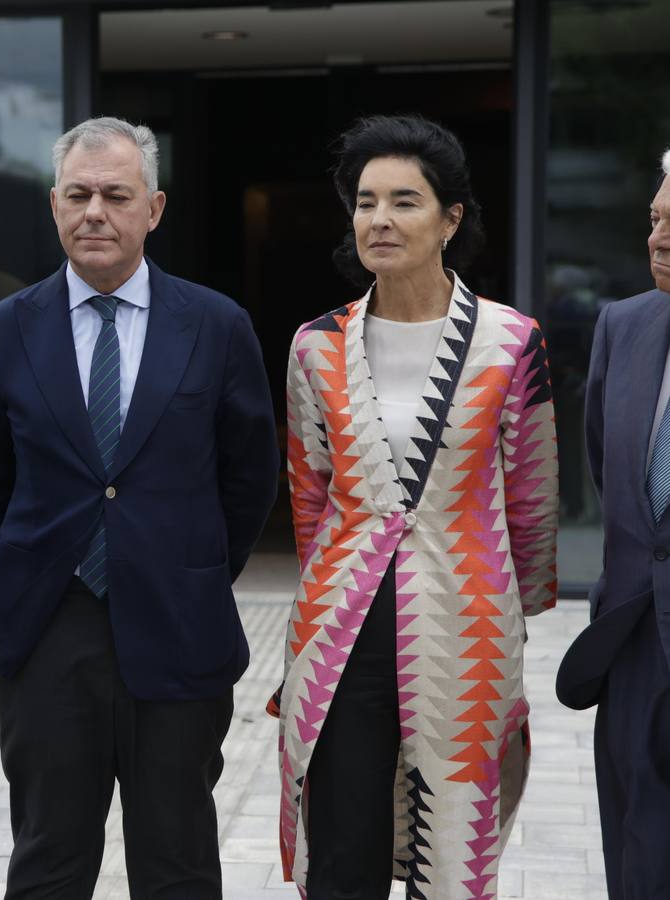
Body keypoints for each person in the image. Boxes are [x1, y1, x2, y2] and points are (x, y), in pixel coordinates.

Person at [0, 116, 280, 898]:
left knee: (177, 864)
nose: (94, 212)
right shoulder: (7, 328)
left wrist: (189, 564)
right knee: (48, 859)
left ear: (154, 208)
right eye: (78, 194)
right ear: (54, 205)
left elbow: (249, 476)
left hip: (178, 628)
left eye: (115, 194)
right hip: (47, 630)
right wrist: (54, 554)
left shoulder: (215, 325)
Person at [275, 115, 558, 899]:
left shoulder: (511, 342)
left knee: (450, 856)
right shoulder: (315, 346)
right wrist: (331, 586)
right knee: (341, 854)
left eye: (404, 201)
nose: (380, 220)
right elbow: (310, 495)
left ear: (450, 219)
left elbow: (531, 501)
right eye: (365, 202)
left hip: (467, 629)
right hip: (341, 629)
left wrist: (516, 611)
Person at [558, 148, 670, 899]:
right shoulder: (624, 326)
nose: (659, 239)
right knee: (637, 854)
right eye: (657, 220)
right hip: (636, 649)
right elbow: (609, 468)